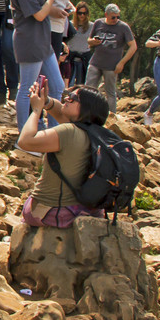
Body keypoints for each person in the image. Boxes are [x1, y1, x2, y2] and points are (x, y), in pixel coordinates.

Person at [16, 83, 109, 228]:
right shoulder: (95, 132)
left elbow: (25, 141)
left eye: (72, 98)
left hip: (54, 211)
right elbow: (60, 113)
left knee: (29, 211)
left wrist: (36, 109)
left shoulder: (68, 132)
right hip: (89, 209)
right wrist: (46, 101)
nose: (66, 99)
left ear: (85, 108)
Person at [10, 0, 65, 147]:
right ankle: (24, 138)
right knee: (26, 89)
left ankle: (52, 133)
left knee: (57, 87)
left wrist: (55, 8)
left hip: (43, 43)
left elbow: (42, 9)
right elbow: (39, 15)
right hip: (30, 42)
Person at [85, 4, 137, 112]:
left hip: (111, 66)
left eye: (118, 17)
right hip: (96, 62)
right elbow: (89, 40)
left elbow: (133, 46)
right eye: (113, 17)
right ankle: (86, 114)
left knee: (110, 93)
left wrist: (122, 62)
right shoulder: (98, 23)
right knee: (88, 90)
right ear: (106, 15)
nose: (116, 19)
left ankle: (111, 118)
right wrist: (93, 41)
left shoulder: (123, 27)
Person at [66, 1, 95, 85]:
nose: (82, 15)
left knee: (83, 84)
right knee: (69, 82)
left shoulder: (92, 26)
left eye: (84, 13)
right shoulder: (70, 24)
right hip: (71, 56)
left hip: (85, 56)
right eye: (80, 13)